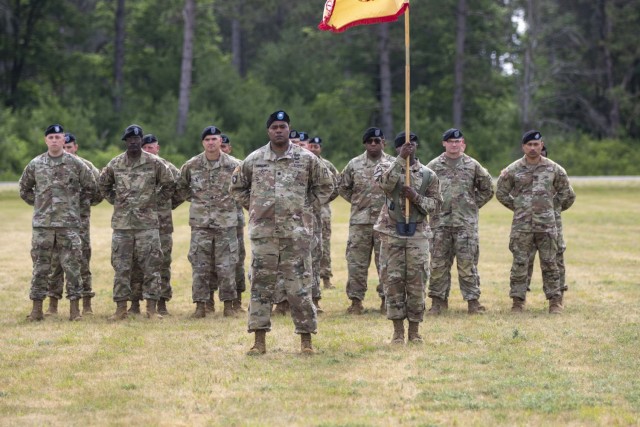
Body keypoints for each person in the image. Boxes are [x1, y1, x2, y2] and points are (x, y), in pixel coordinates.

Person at [230, 110, 334, 355]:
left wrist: (307, 208)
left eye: (283, 126)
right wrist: (255, 206)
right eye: (275, 126)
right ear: (268, 131)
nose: (279, 130)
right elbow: (236, 187)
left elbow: (327, 185)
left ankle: (306, 341)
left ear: (289, 129)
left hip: (295, 235)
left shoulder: (306, 158)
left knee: (299, 287)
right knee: (260, 286)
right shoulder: (254, 159)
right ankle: (259, 341)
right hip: (264, 234)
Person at [19, 124, 97, 321]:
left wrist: (74, 207)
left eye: (58, 137)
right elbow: (24, 189)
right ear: (46, 140)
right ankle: (37, 309)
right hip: (43, 226)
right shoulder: (36, 164)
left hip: (68, 226)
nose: (54, 140)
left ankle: (75, 310)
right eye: (51, 137)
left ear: (64, 140)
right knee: (40, 267)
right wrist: (39, 206)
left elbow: (91, 186)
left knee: (72, 267)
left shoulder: (76, 164)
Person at [99, 124, 176, 320]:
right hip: (122, 226)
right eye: (130, 140)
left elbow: (169, 184)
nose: (134, 142)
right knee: (121, 267)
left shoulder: (154, 163)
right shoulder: (115, 164)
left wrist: (153, 202)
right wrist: (117, 201)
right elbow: (103, 185)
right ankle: (121, 309)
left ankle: (151, 309)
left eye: (137, 140)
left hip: (147, 225)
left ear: (141, 141)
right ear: (126, 142)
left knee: (152, 266)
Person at [496, 130, 576, 313]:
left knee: (550, 263)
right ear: (523, 147)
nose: (532, 148)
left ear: (542, 145)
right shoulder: (513, 169)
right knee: (520, 263)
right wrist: (518, 207)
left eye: (536, 145)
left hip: (547, 226)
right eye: (529, 145)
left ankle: (555, 302)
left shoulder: (554, 169)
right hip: (522, 227)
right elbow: (500, 192)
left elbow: (567, 194)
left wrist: (551, 208)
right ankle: (518, 301)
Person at [375, 132, 441, 343]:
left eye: (412, 144)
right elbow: (384, 185)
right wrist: (399, 161)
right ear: (397, 148)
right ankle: (397, 332)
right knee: (392, 282)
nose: (409, 148)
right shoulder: (386, 168)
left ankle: (414, 331)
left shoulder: (428, 175)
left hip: (417, 234)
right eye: (404, 146)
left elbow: (436, 205)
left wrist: (416, 197)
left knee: (417, 282)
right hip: (391, 232)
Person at [174, 125, 241, 318]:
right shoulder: (192, 165)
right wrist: (196, 200)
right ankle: (201, 306)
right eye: (207, 140)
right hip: (200, 224)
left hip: (226, 224)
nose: (211, 143)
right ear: (203, 143)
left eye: (214, 139)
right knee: (200, 265)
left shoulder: (235, 165)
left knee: (227, 266)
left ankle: (229, 305)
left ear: (221, 141)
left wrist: (233, 202)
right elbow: (181, 186)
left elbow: (245, 186)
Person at [425, 128, 494, 314]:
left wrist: (472, 205)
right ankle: (438, 302)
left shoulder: (472, 165)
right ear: (444, 144)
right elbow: (423, 191)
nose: (454, 145)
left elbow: (488, 188)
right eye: (450, 141)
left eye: (458, 141)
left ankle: (473, 302)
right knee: (438, 264)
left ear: (462, 143)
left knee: (467, 264)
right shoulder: (433, 166)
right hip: (440, 224)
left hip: (465, 225)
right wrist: (433, 208)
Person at [45, 132, 103, 317]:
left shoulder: (86, 166)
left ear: (75, 147)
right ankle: (52, 305)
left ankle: (86, 304)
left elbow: (98, 190)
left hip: (79, 223)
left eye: (70, 147)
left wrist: (83, 203)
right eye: (65, 146)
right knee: (55, 264)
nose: (67, 150)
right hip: (56, 222)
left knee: (82, 262)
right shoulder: (52, 164)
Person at [339, 127, 394, 314]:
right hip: (360, 223)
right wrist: (358, 203)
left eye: (377, 141)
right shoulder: (354, 164)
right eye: (369, 141)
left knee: (386, 263)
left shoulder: (393, 164)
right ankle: (355, 301)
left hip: (386, 223)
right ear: (364, 143)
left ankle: (386, 300)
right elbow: (343, 187)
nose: (373, 144)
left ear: (383, 143)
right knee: (356, 263)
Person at [128, 134, 180, 316]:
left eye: (153, 147)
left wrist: (167, 203)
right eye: (146, 147)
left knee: (162, 263)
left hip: (162, 225)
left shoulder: (167, 167)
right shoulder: (135, 166)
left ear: (158, 148)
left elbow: (180, 187)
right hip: (139, 224)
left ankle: (162, 302)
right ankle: (134, 302)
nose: (150, 150)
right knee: (136, 264)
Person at [525, 146, 568, 295]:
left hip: (552, 223)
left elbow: (569, 196)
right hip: (527, 223)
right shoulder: (523, 172)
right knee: (525, 258)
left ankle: (559, 290)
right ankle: (521, 292)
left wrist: (553, 208)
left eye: (542, 155)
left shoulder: (554, 172)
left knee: (555, 258)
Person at [217, 133, 246, 311]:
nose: (222, 149)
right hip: (210, 221)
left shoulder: (238, 165)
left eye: (225, 146)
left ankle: (237, 301)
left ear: (229, 148)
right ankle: (209, 303)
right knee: (212, 264)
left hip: (234, 223)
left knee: (236, 261)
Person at [308, 136, 340, 290]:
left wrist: (323, 201)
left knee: (324, 246)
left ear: (321, 148)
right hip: (305, 213)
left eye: (316, 146)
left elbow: (337, 185)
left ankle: (326, 278)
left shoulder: (327, 165)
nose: (313, 149)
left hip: (322, 212)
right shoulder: (303, 163)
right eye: (311, 146)